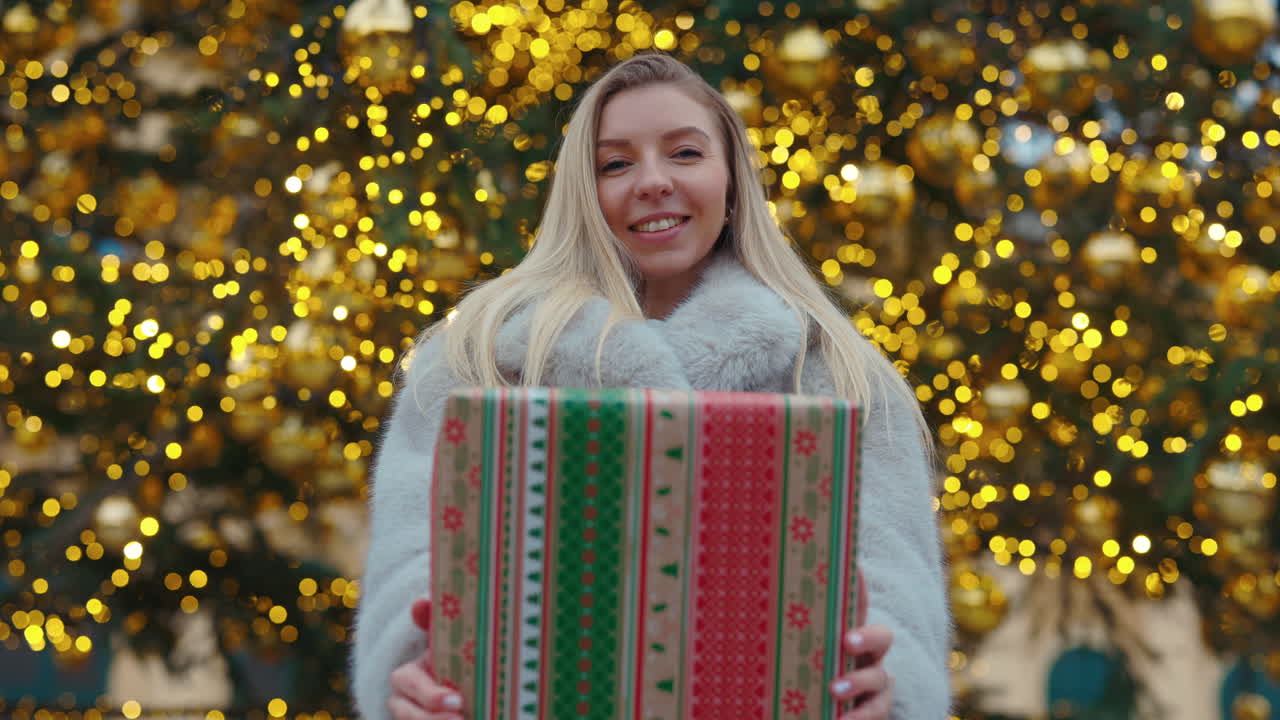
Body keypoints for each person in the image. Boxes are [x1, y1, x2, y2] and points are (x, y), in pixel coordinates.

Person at [352, 53, 951, 720]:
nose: (653, 182)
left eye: (686, 154)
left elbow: (897, 592)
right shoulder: (480, 356)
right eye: (616, 164)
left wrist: (886, 688)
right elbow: (414, 571)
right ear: (584, 192)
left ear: (731, 183)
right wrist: (411, 678)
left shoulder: (837, 371)